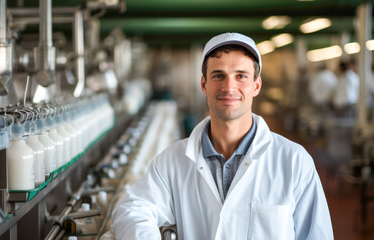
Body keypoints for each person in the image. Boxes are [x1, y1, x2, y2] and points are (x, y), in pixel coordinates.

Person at [112, 32, 333, 240]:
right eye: (219, 75)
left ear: (256, 85)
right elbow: (132, 209)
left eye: (241, 76)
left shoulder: (294, 161)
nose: (229, 86)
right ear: (204, 84)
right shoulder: (172, 161)